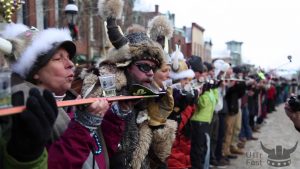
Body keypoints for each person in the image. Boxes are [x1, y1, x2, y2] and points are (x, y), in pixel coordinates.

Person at [2, 26, 110, 169]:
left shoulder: (73, 103)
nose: (71, 64)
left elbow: (105, 154)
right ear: (35, 71)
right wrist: (83, 127)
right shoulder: (23, 115)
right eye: (59, 58)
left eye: (69, 58)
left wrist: (121, 111)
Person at [81, 1, 170, 168]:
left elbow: (159, 154)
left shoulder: (149, 97)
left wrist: (162, 119)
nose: (151, 73)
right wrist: (119, 111)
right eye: (144, 66)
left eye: (153, 68)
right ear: (125, 66)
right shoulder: (101, 92)